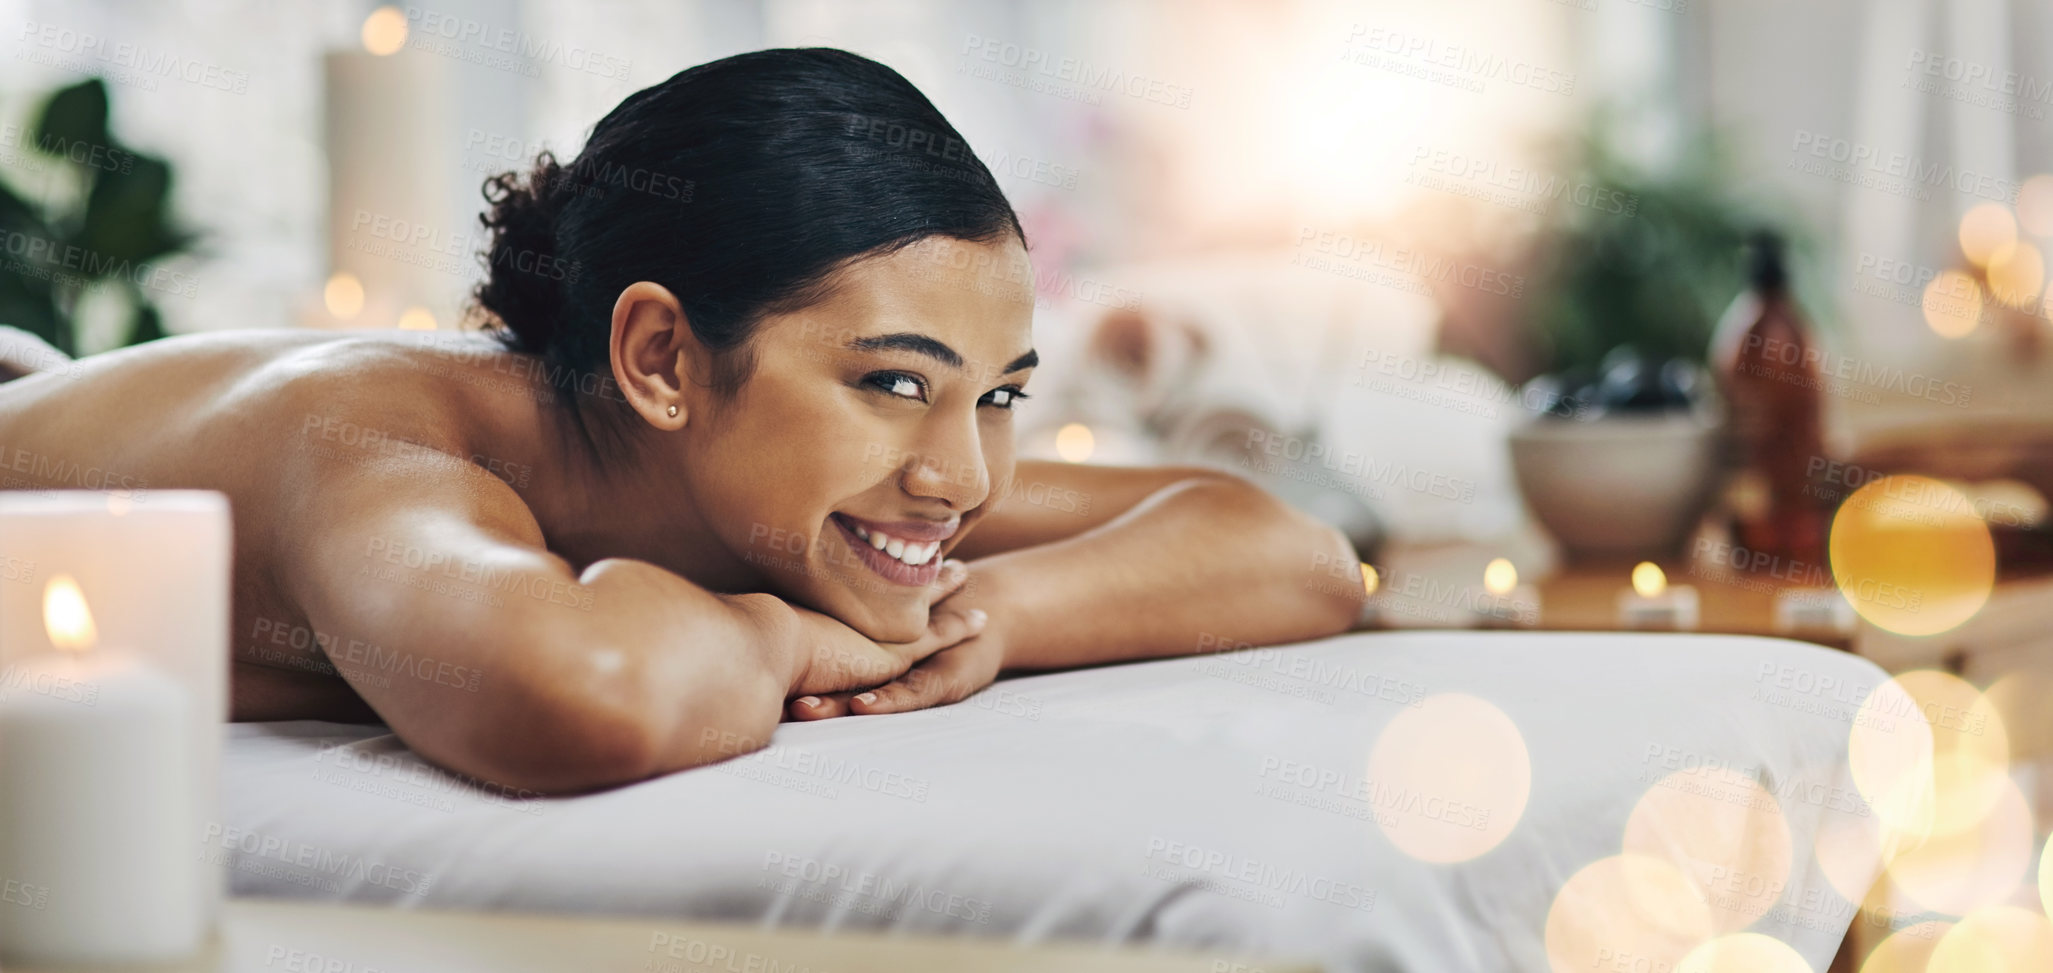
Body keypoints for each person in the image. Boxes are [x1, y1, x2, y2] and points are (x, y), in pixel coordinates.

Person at [0, 48, 1361, 794]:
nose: (957, 475)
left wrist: (985, 623)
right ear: (660, 355)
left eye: (997, 393)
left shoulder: (807, 472)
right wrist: (784, 636)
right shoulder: (383, 459)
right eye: (893, 379)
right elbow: (575, 691)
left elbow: (1287, 551)